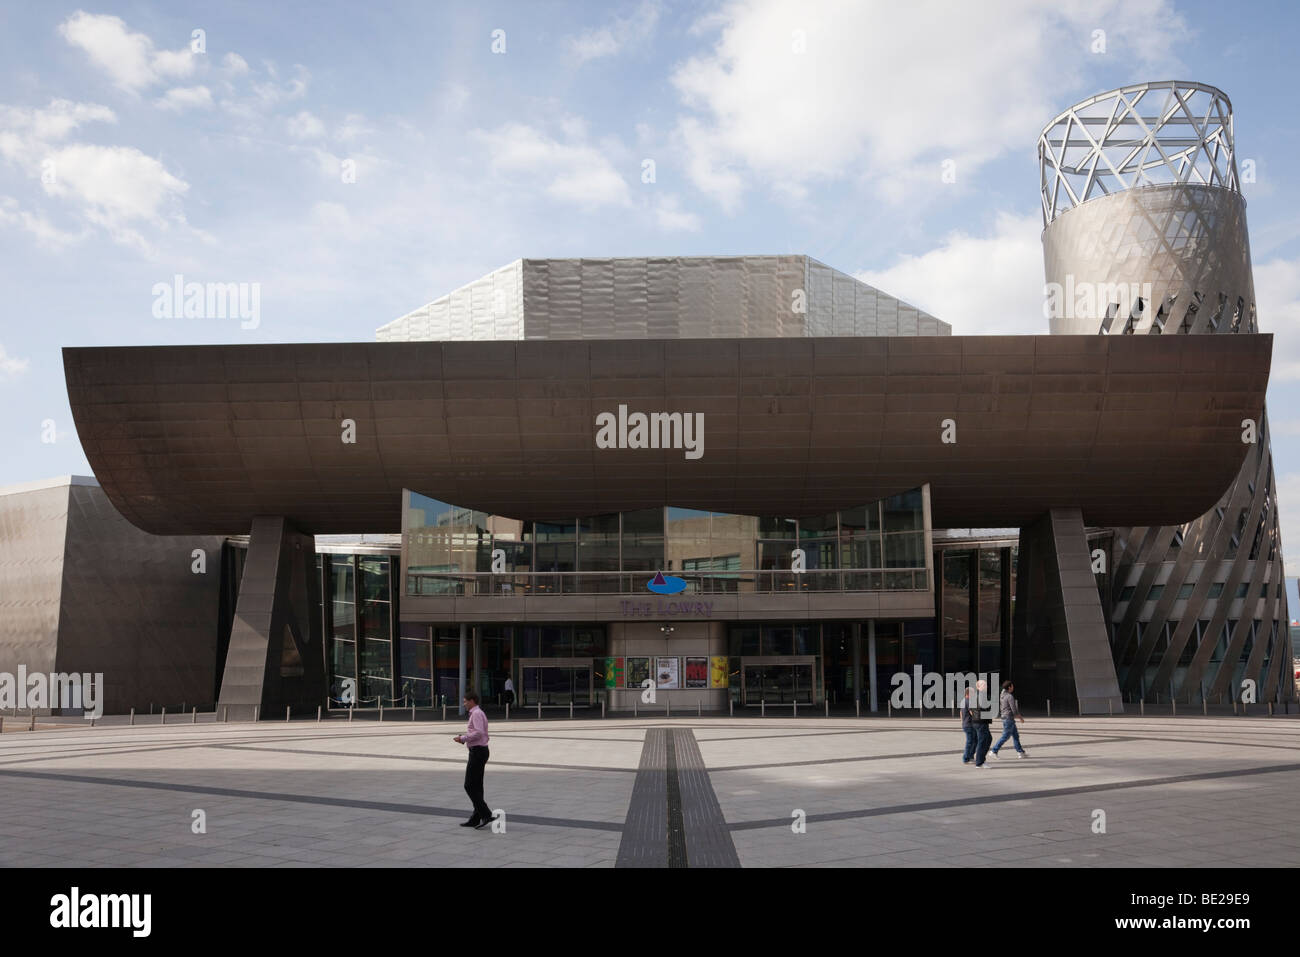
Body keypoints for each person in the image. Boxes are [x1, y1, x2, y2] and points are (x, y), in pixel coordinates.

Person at [453, 692, 492, 828]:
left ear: (472, 701)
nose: (464, 704)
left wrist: (463, 738)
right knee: (477, 785)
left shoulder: (476, 714)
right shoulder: (477, 713)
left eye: (465, 701)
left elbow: (479, 732)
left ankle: (486, 813)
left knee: (469, 785)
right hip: (479, 750)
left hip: (478, 752)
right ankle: (476, 817)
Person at [990, 680, 1028, 758]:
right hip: (1008, 719)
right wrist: (1020, 718)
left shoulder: (1002, 695)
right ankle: (994, 751)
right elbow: (1014, 710)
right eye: (1012, 686)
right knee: (1005, 736)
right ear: (1009, 687)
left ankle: (1020, 752)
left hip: (1005, 717)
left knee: (1015, 735)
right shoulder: (1009, 696)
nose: (1013, 687)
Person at [960, 687, 978, 764]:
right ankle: (966, 758)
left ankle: (970, 756)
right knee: (970, 742)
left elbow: (960, 712)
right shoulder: (969, 701)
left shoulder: (963, 701)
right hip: (970, 725)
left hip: (966, 724)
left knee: (974, 741)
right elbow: (972, 712)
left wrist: (963, 721)